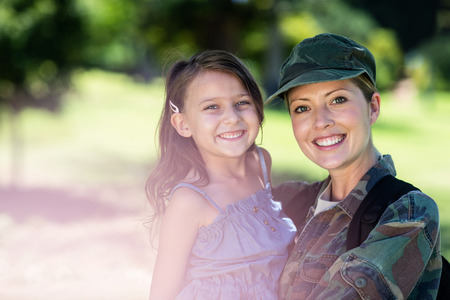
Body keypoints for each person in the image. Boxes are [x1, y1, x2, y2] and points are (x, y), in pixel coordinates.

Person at [266, 33, 442, 299]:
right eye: (302, 108)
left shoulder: (408, 212)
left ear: (373, 108)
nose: (320, 121)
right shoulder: (286, 200)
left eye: (338, 100)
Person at [146, 50, 296, 300]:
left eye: (241, 103)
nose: (231, 118)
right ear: (183, 124)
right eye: (212, 107)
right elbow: (162, 293)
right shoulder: (190, 201)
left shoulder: (260, 162)